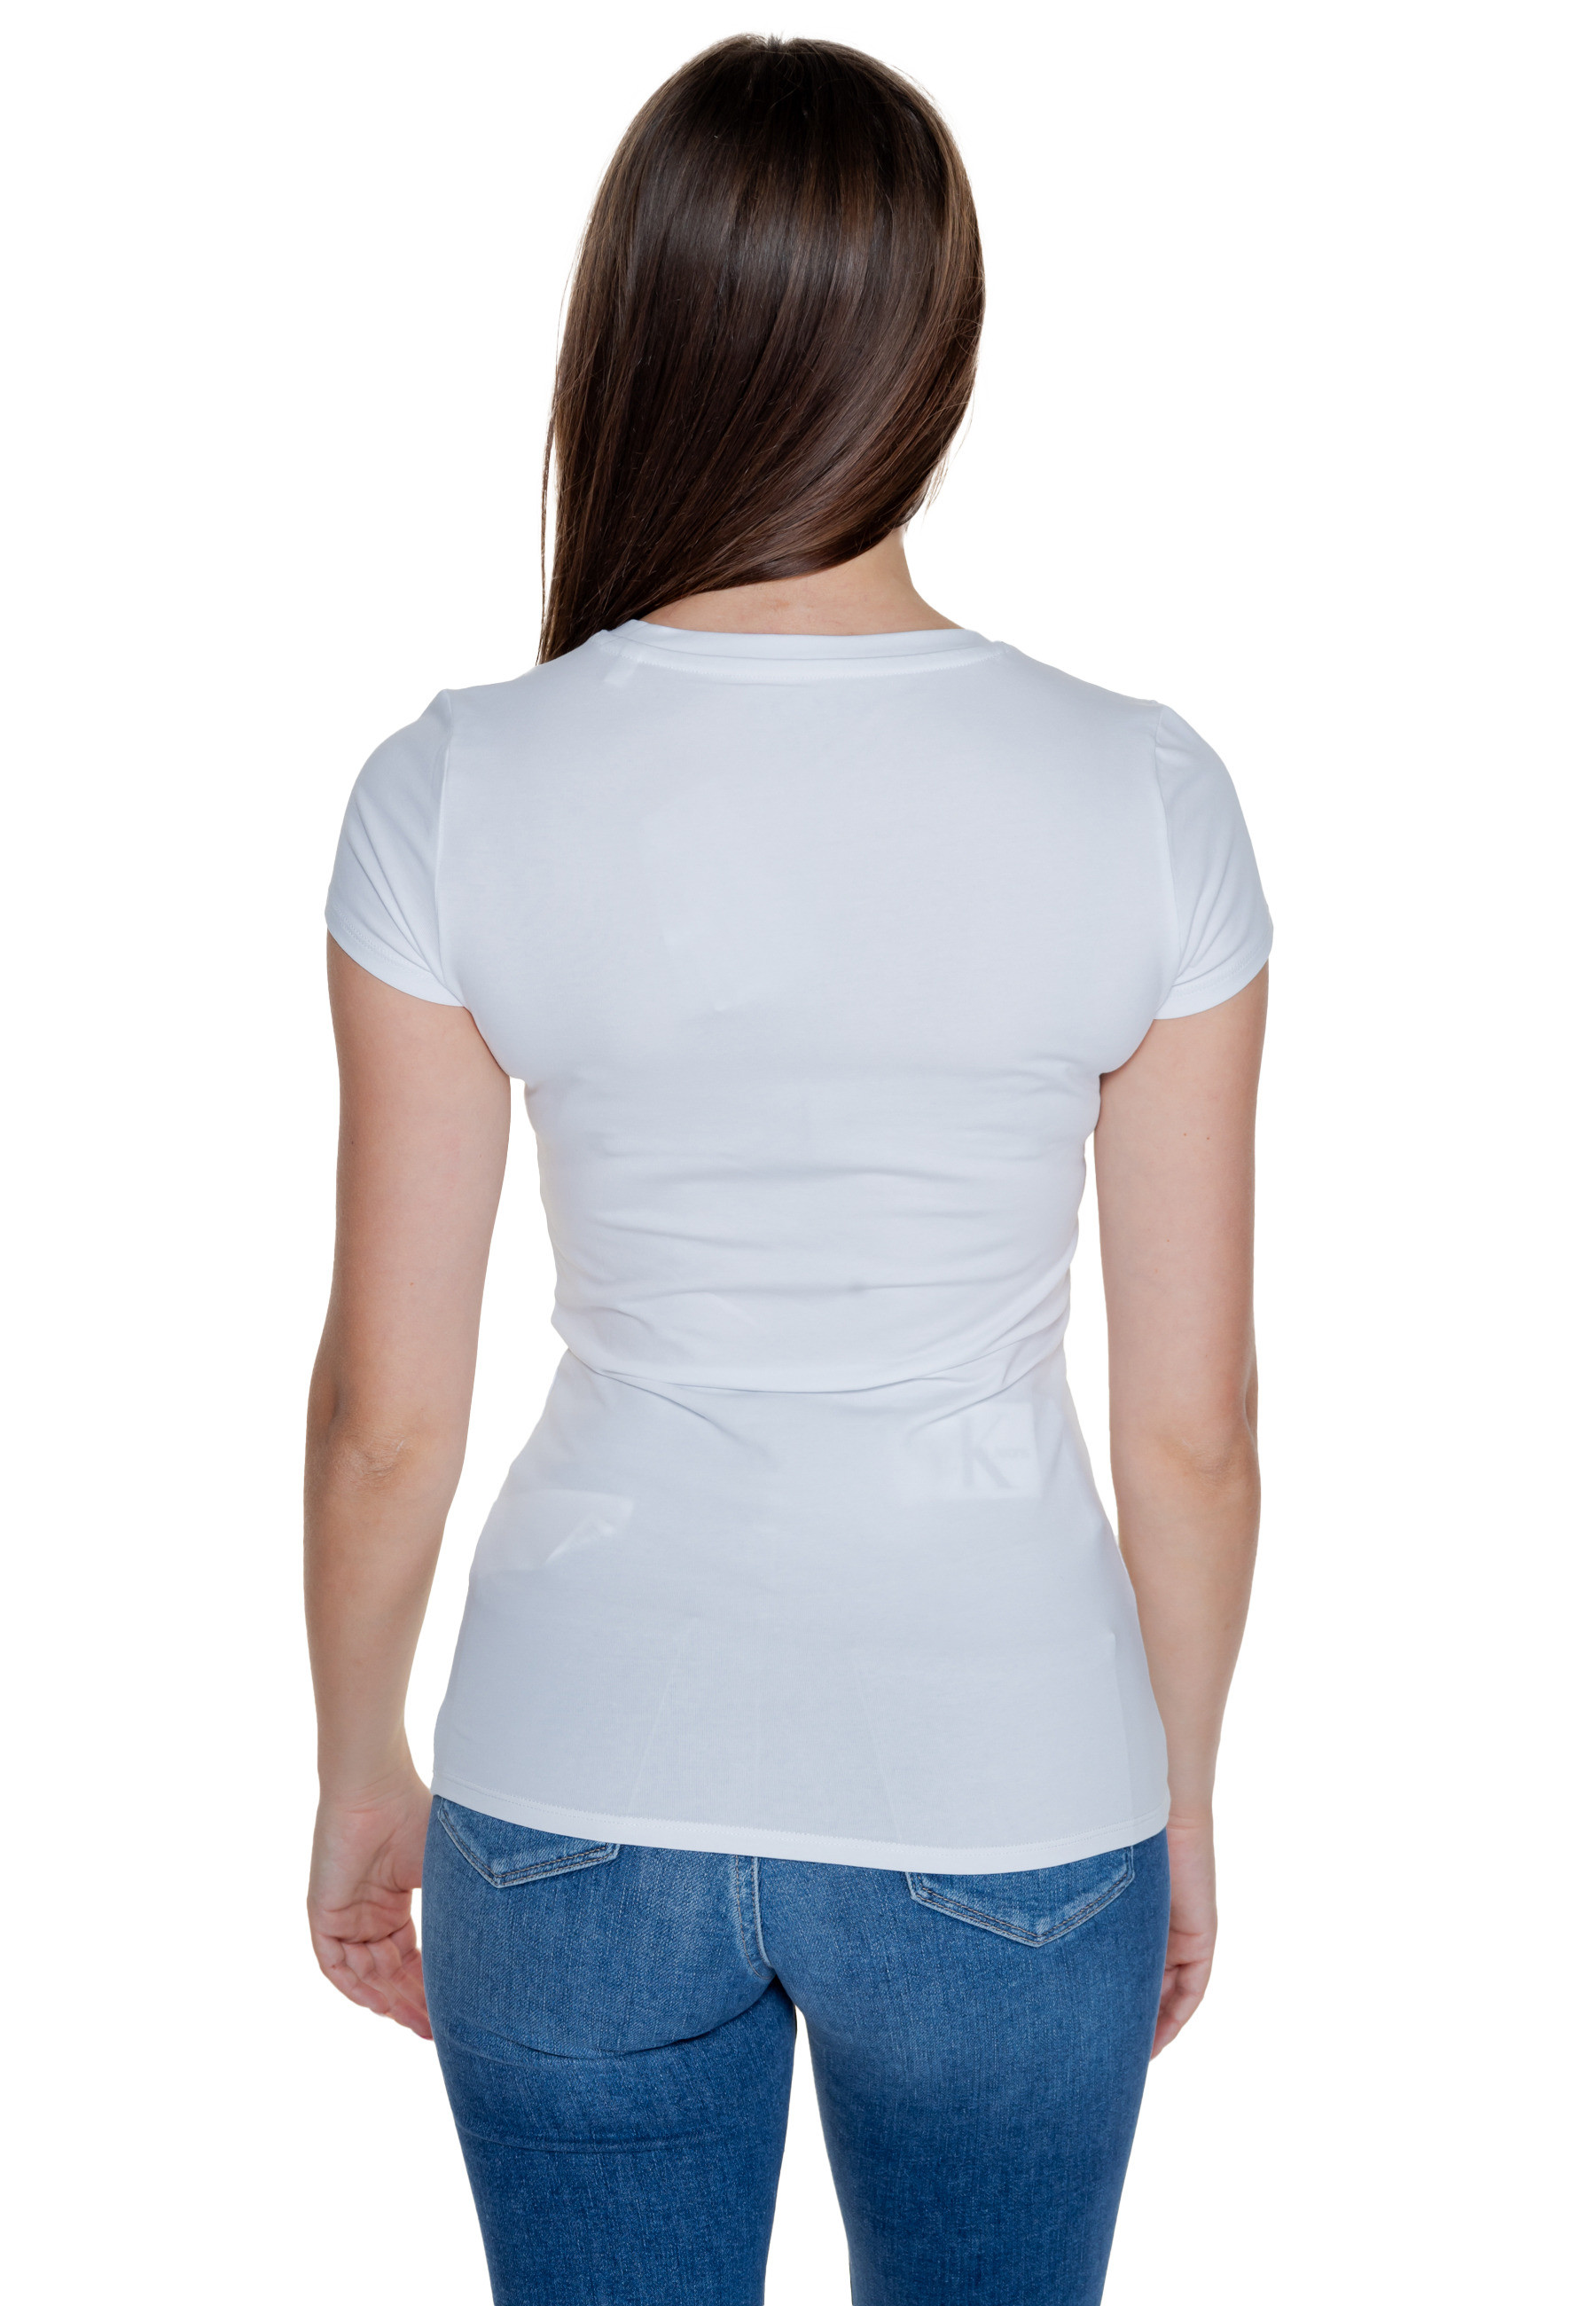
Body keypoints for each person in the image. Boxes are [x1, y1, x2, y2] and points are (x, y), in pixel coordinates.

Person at [305, 34, 1270, 2306]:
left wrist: (360, 1763)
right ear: (941, 355)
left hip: (573, 1782)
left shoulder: (455, 786)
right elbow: (1194, 1431)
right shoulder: (1141, 794)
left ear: (630, 334)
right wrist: (1176, 1795)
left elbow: (387, 1412)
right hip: (1011, 1784)